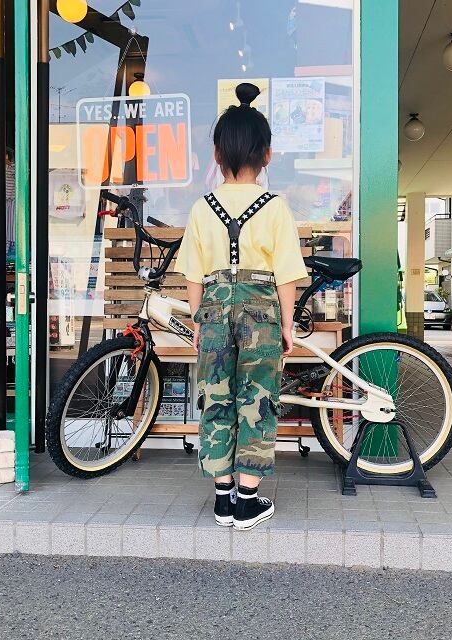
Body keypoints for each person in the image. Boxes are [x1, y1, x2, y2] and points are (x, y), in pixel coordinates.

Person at [175, 83, 308, 530]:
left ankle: (222, 498)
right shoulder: (275, 207)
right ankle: (247, 500)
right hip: (261, 312)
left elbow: (193, 274)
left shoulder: (202, 208)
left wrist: (198, 320)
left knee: (217, 398)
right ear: (266, 155)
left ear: (216, 155)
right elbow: (286, 274)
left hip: (214, 309)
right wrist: (287, 324)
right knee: (258, 399)